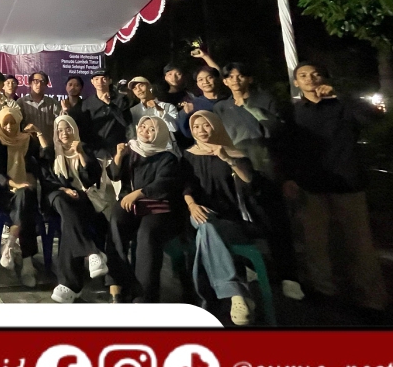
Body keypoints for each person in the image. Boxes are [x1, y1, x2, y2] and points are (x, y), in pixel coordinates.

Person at [283, 63, 387, 312]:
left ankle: (371, 299)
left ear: (324, 78)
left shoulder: (342, 105)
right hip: (311, 186)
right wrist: (289, 178)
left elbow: (373, 117)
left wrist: (341, 95)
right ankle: (324, 291)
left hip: (347, 184)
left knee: (359, 245)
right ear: (296, 83)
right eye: (303, 76)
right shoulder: (295, 112)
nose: (310, 79)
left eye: (315, 74)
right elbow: (289, 148)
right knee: (316, 245)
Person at [181, 111, 257, 325]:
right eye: (196, 127)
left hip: (230, 218)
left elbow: (249, 181)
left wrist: (228, 159)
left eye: (206, 125)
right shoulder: (188, 156)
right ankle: (236, 293)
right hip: (198, 212)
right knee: (204, 223)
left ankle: (209, 303)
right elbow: (186, 187)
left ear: (215, 126)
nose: (201, 131)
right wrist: (192, 205)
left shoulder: (232, 153)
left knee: (206, 232)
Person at [103, 116, 184, 303]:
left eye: (151, 129)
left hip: (156, 207)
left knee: (146, 234)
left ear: (160, 134)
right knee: (116, 221)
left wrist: (139, 193)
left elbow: (164, 184)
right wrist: (119, 156)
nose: (145, 131)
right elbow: (114, 175)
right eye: (143, 126)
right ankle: (117, 282)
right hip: (132, 205)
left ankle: (143, 295)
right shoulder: (131, 151)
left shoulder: (167, 157)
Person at [41, 114, 110, 303]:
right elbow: (46, 180)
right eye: (60, 130)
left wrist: (80, 154)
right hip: (57, 195)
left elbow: (91, 179)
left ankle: (70, 285)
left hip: (81, 198)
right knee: (62, 202)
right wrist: (64, 189)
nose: (64, 133)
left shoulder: (84, 148)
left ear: (75, 130)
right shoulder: (50, 152)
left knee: (69, 225)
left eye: (68, 129)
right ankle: (92, 252)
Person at [0, 106, 40, 287]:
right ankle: (27, 264)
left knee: (26, 197)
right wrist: (16, 185)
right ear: (0, 124)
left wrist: (28, 181)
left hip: (28, 191)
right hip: (6, 196)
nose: (9, 126)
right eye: (5, 123)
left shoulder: (28, 141)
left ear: (19, 122)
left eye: (13, 122)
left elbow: (38, 165)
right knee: (26, 207)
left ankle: (10, 243)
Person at [213, 62, 284, 178]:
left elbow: (277, 127)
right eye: (230, 77)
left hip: (267, 155)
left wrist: (250, 107)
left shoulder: (265, 100)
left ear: (250, 79)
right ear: (225, 82)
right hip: (239, 159)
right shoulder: (221, 107)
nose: (235, 80)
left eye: (240, 76)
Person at [69, 69, 132, 159]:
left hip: (117, 151)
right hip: (95, 152)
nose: (100, 82)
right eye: (96, 79)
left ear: (110, 81)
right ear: (92, 82)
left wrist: (110, 104)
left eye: (104, 79)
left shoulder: (121, 99)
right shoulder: (86, 103)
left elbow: (126, 121)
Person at [176, 65, 230, 143]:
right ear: (197, 83)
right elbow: (187, 133)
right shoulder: (194, 105)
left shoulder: (229, 100)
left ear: (217, 79)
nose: (205, 82)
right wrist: (184, 113)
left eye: (209, 77)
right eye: (200, 79)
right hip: (206, 145)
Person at [18, 71, 59, 144]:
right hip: (27, 144)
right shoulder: (21, 102)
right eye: (36, 81)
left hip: (47, 145)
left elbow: (59, 124)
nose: (39, 84)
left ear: (46, 85)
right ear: (30, 83)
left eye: (42, 82)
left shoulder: (53, 103)